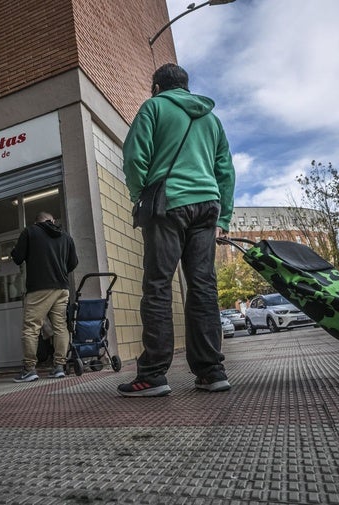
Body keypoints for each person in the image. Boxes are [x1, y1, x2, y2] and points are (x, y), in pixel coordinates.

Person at [119, 63, 236, 397]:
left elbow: (134, 158)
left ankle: (153, 375)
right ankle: (211, 371)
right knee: (203, 286)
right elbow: (225, 171)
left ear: (157, 88)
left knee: (157, 285)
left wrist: (141, 195)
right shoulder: (212, 120)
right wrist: (223, 218)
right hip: (208, 205)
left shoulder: (153, 107)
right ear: (186, 87)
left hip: (168, 203)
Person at [11, 211, 78, 382]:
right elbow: (73, 263)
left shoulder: (30, 232)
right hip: (62, 288)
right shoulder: (66, 237)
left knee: (31, 327)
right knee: (60, 326)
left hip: (39, 288)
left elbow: (17, 258)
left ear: (37, 222)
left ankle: (29, 369)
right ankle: (59, 367)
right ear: (52, 220)